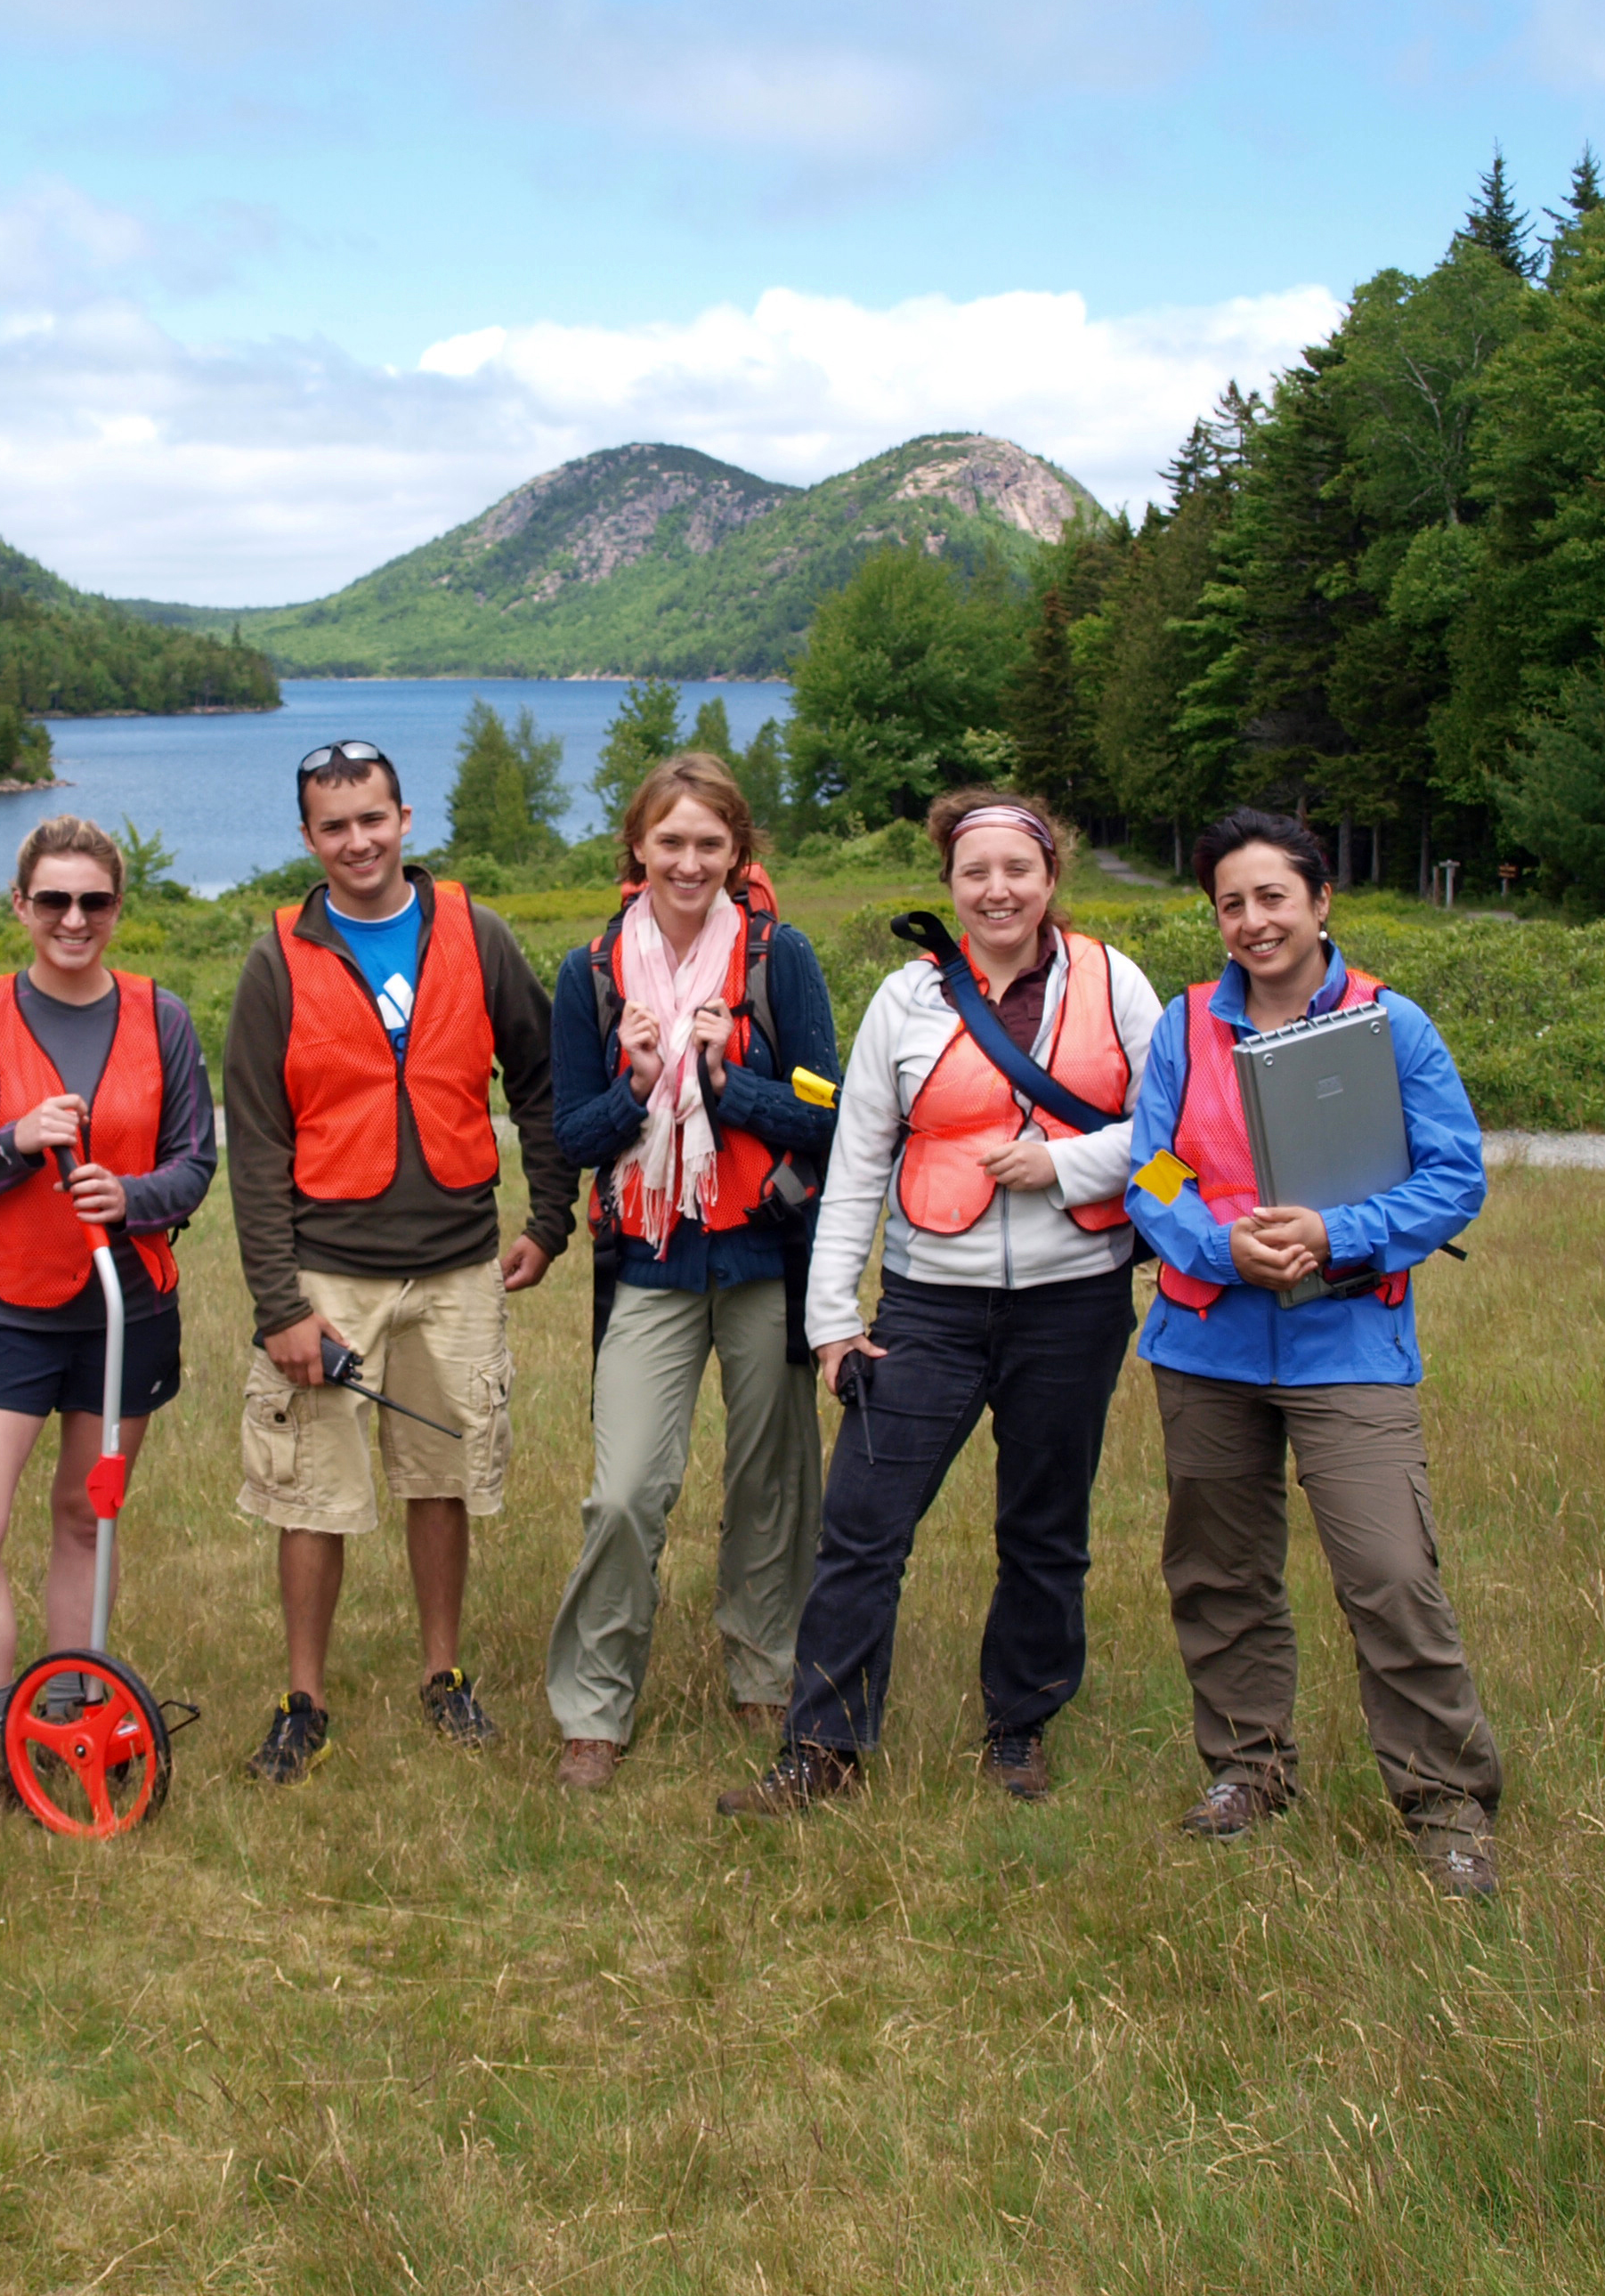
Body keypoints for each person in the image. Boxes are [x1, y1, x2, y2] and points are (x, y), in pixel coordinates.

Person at [718, 788, 1160, 1818]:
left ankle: (1021, 1727)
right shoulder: (905, 1000)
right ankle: (822, 1746)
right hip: (929, 1306)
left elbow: (1179, 1135)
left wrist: (1070, 1162)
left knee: (1044, 1526)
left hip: (1075, 1302)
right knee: (863, 1524)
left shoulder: (1115, 983)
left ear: (1052, 877)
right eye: (976, 873)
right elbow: (859, 1157)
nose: (997, 889)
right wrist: (833, 1322)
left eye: (1018, 870)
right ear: (951, 887)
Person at [1121, 806, 1502, 1896]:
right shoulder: (1184, 1025)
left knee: (1389, 1572)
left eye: (1272, 897)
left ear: (1320, 901)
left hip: (1348, 1338)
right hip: (1207, 1339)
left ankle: (1447, 1806)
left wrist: (1339, 1234)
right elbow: (1150, 1171)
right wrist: (1221, 1243)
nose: (1253, 921)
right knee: (1218, 1570)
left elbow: (1454, 1175)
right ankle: (1249, 1771)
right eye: (1231, 904)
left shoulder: (1395, 1024)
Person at [224, 741, 571, 1781]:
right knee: (309, 1492)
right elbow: (254, 1140)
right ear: (308, 839)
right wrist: (280, 1304)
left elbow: (542, 1079)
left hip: (458, 1263)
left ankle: (444, 1676)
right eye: (335, 826)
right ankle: (304, 1700)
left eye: (373, 818)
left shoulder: (477, 932)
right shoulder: (277, 956)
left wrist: (551, 1218)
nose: (358, 841)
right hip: (327, 1269)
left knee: (443, 1479)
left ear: (404, 819)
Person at [0, 815, 216, 1832]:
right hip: (5, 1310)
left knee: (86, 1517)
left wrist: (134, 1196)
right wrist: (14, 1143)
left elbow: (195, 1164)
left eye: (95, 902)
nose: (75, 919)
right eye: (54, 901)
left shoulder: (161, 1017)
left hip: (126, 1312)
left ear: (118, 910)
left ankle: (72, 1715)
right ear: (21, 907)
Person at [543, 753, 839, 1792]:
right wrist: (634, 1084)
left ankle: (764, 1672)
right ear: (637, 848)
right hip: (652, 1260)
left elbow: (830, 1113)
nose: (689, 861)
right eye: (670, 841)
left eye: (710, 843)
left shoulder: (779, 958)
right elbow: (572, 1135)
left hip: (763, 1250)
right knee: (624, 1492)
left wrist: (729, 1081)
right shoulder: (589, 973)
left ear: (738, 854)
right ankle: (594, 1706)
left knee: (771, 1481)